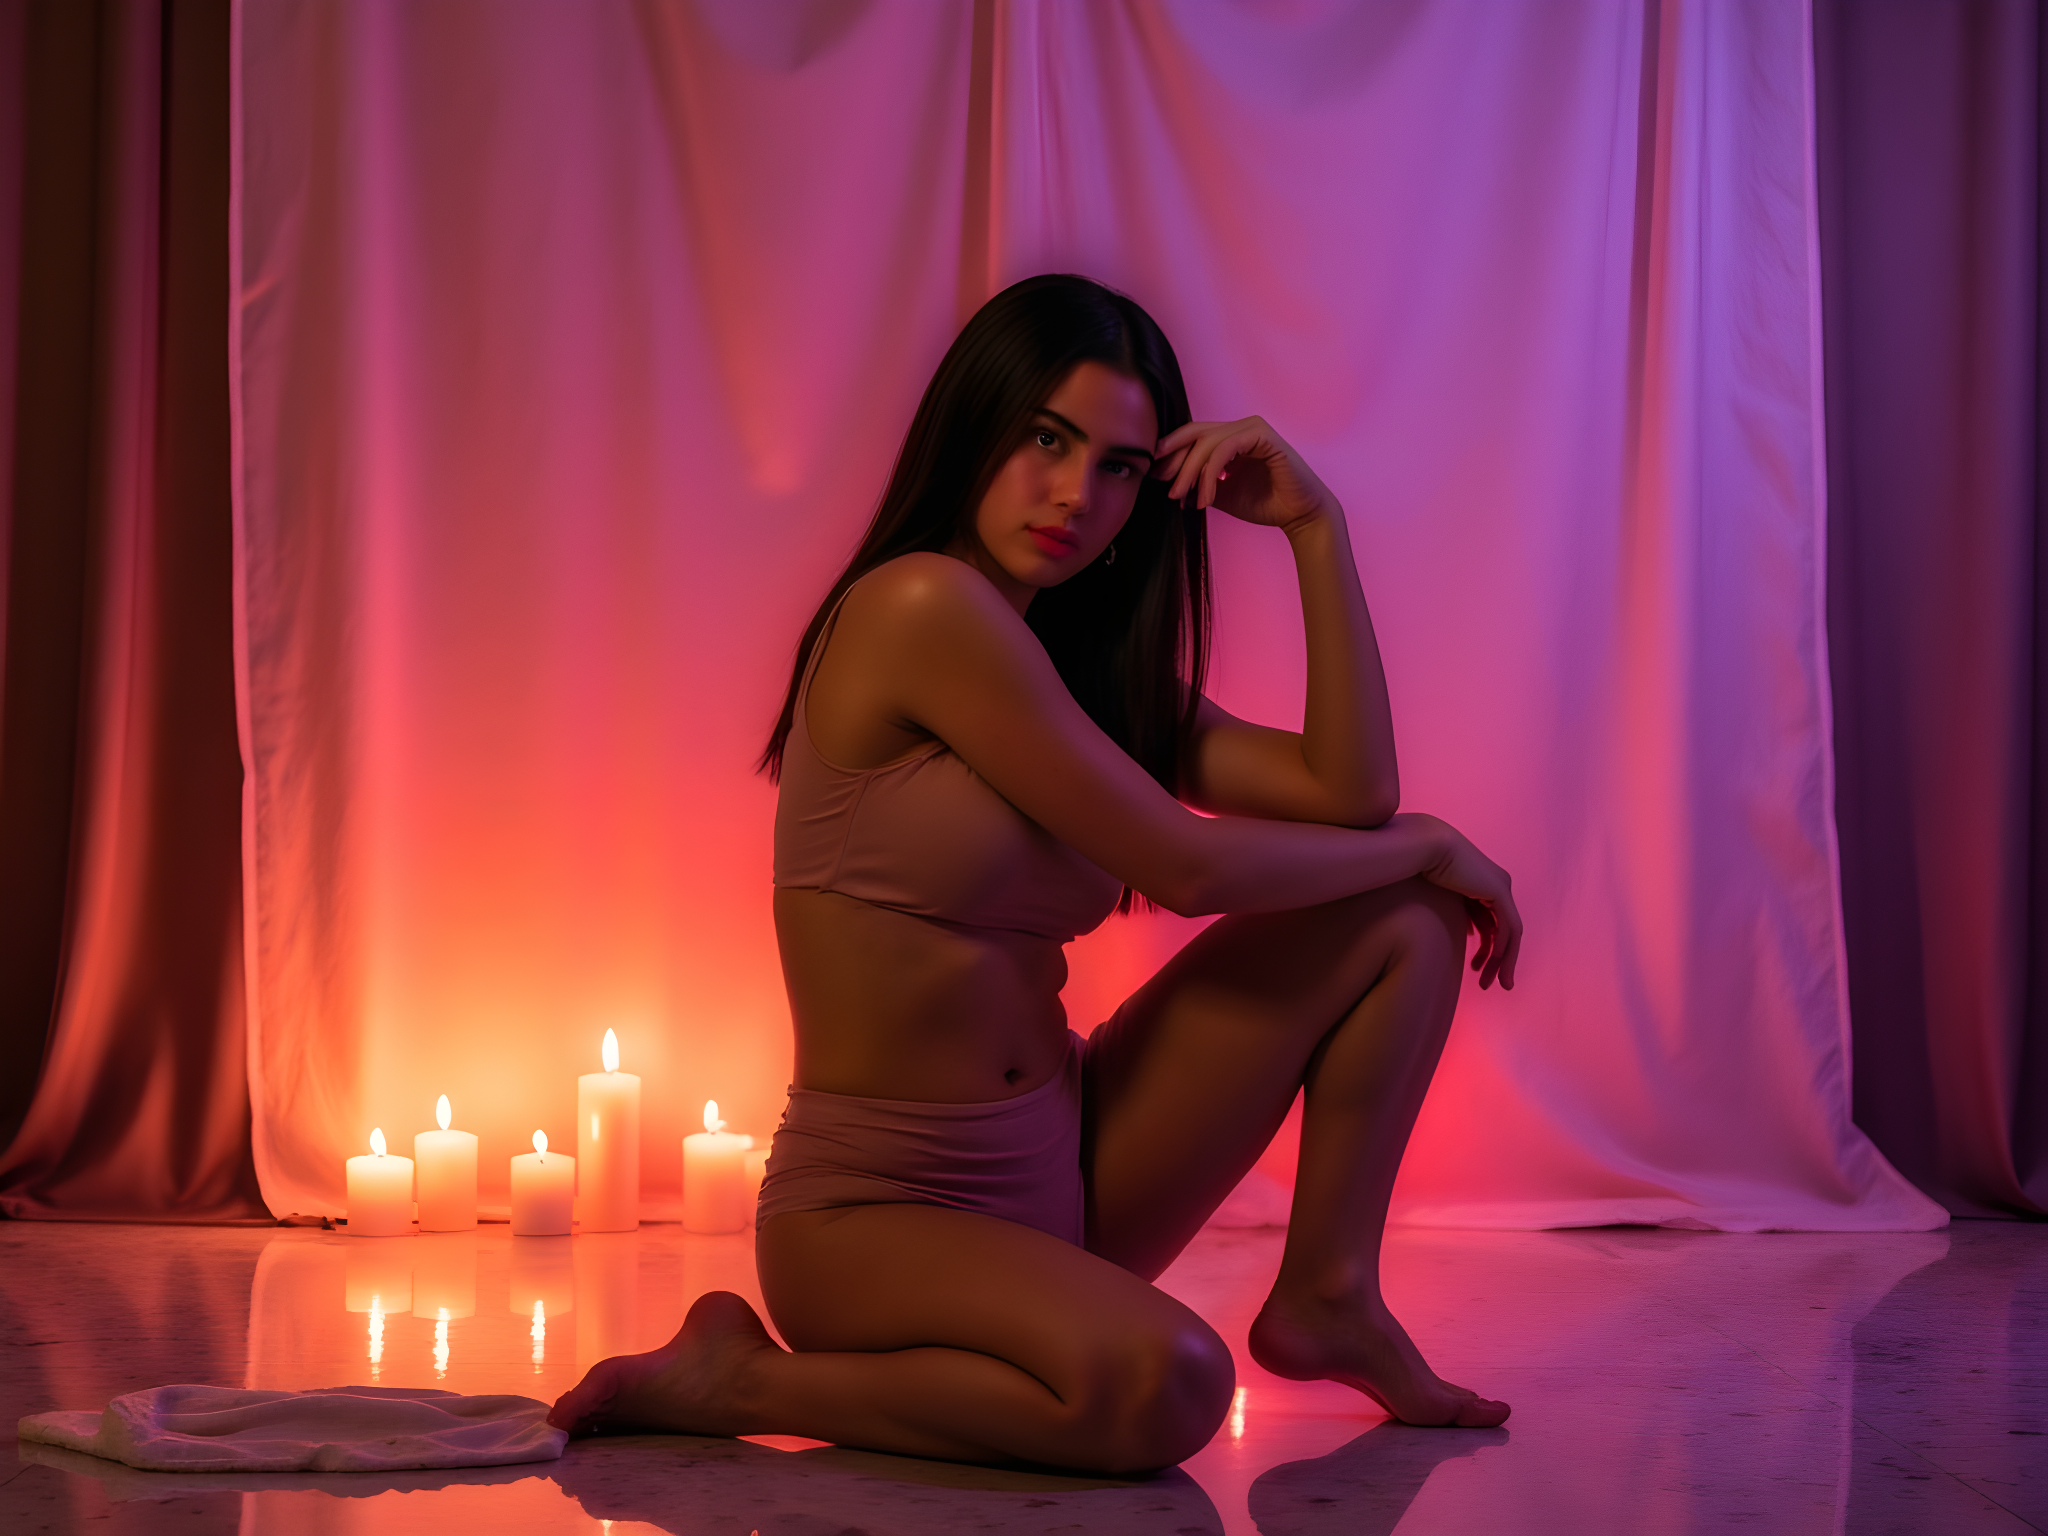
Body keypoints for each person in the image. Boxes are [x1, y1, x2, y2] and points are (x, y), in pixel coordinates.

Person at [548, 274, 1522, 1472]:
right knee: (1167, 1388)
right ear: (975, 424)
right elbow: (1181, 863)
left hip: (1062, 1156)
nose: (1075, 494)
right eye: (1044, 440)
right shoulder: (919, 607)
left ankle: (1329, 1293)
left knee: (1403, 920)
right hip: (877, 1215)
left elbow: (1345, 793)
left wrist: (1315, 526)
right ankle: (740, 1377)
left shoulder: (1068, 667)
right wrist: (1431, 839)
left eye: (1118, 465)